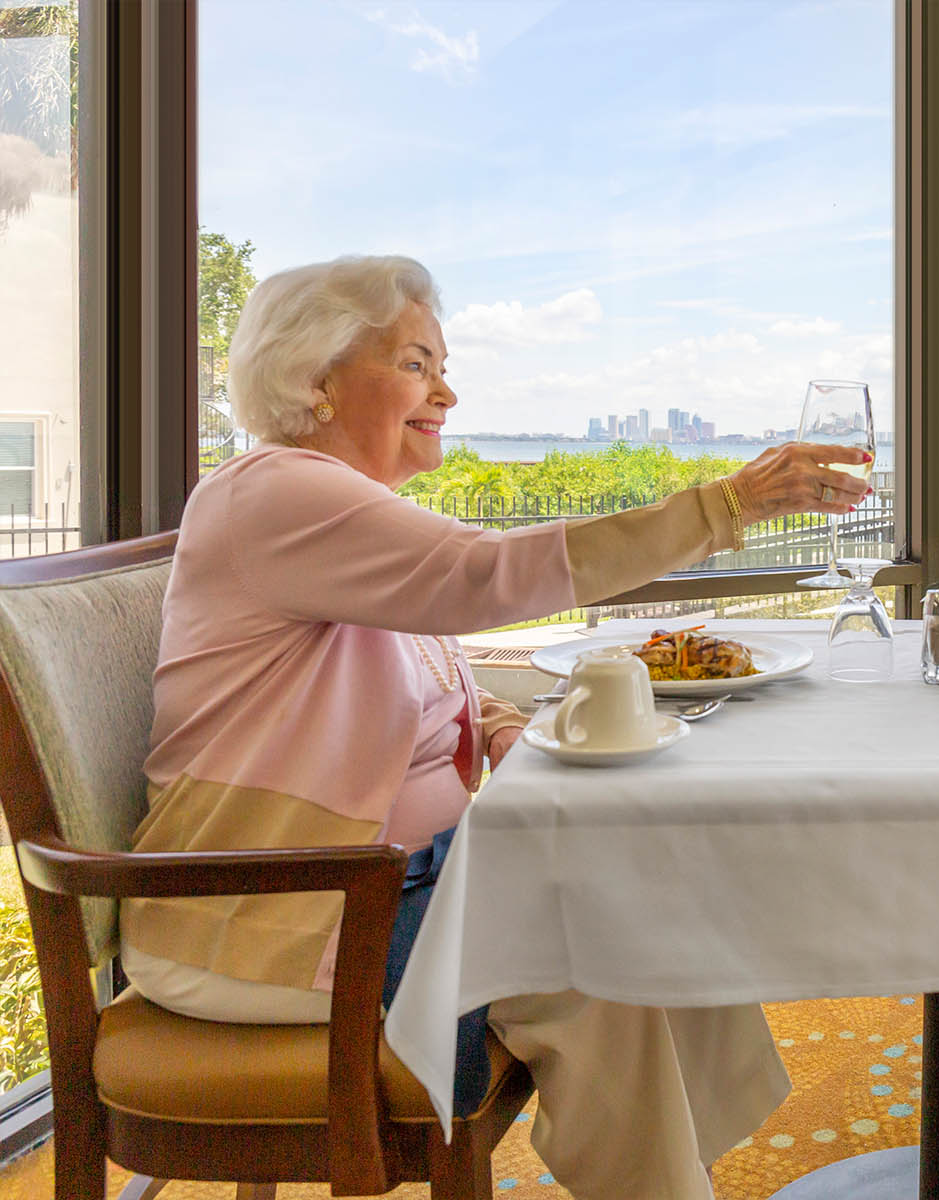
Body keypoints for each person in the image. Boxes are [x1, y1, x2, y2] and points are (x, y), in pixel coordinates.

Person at [121, 255, 872, 1200]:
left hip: (376, 886)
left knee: (660, 899)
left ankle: (679, 1176)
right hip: (272, 907)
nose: (447, 391)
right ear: (313, 378)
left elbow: (423, 681)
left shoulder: (335, 511)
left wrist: (504, 723)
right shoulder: (273, 494)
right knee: (610, 950)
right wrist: (724, 507)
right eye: (415, 363)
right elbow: (483, 578)